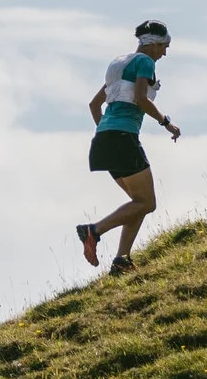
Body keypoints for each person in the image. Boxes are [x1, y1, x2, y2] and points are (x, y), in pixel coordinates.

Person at [77, 19, 180, 275]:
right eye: (165, 46)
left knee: (139, 202)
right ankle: (94, 230)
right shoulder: (145, 62)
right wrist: (166, 122)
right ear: (154, 44)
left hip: (104, 140)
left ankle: (122, 261)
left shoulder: (119, 64)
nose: (165, 52)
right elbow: (141, 99)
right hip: (122, 137)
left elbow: (94, 105)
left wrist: (106, 132)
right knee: (147, 203)